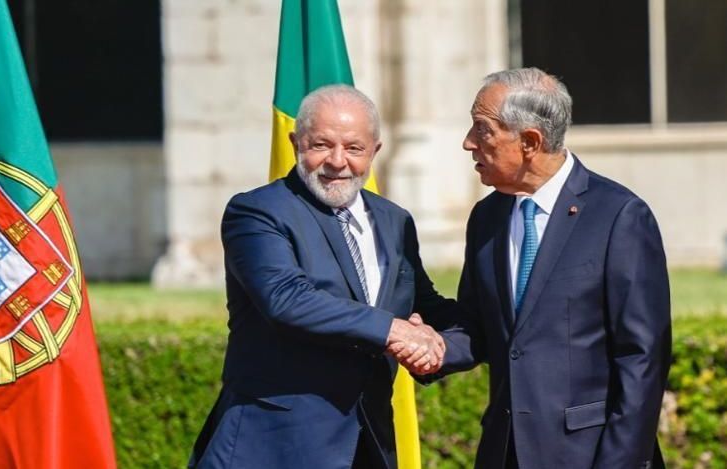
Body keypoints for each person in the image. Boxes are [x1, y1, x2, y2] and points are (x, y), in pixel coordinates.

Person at [189, 85, 453, 469]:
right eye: (321, 145)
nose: (337, 161)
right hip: (274, 447)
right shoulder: (257, 211)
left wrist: (461, 341)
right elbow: (287, 299)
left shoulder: (395, 221)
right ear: (296, 142)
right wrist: (394, 331)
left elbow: (422, 304)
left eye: (354, 148)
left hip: (368, 445)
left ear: (375, 150)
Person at [428, 68, 672, 469]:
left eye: (483, 129)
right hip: (504, 453)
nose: (468, 142)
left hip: (590, 456)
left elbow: (642, 360)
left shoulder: (619, 216)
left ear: (530, 142)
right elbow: (480, 328)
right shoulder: (486, 218)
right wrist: (430, 346)